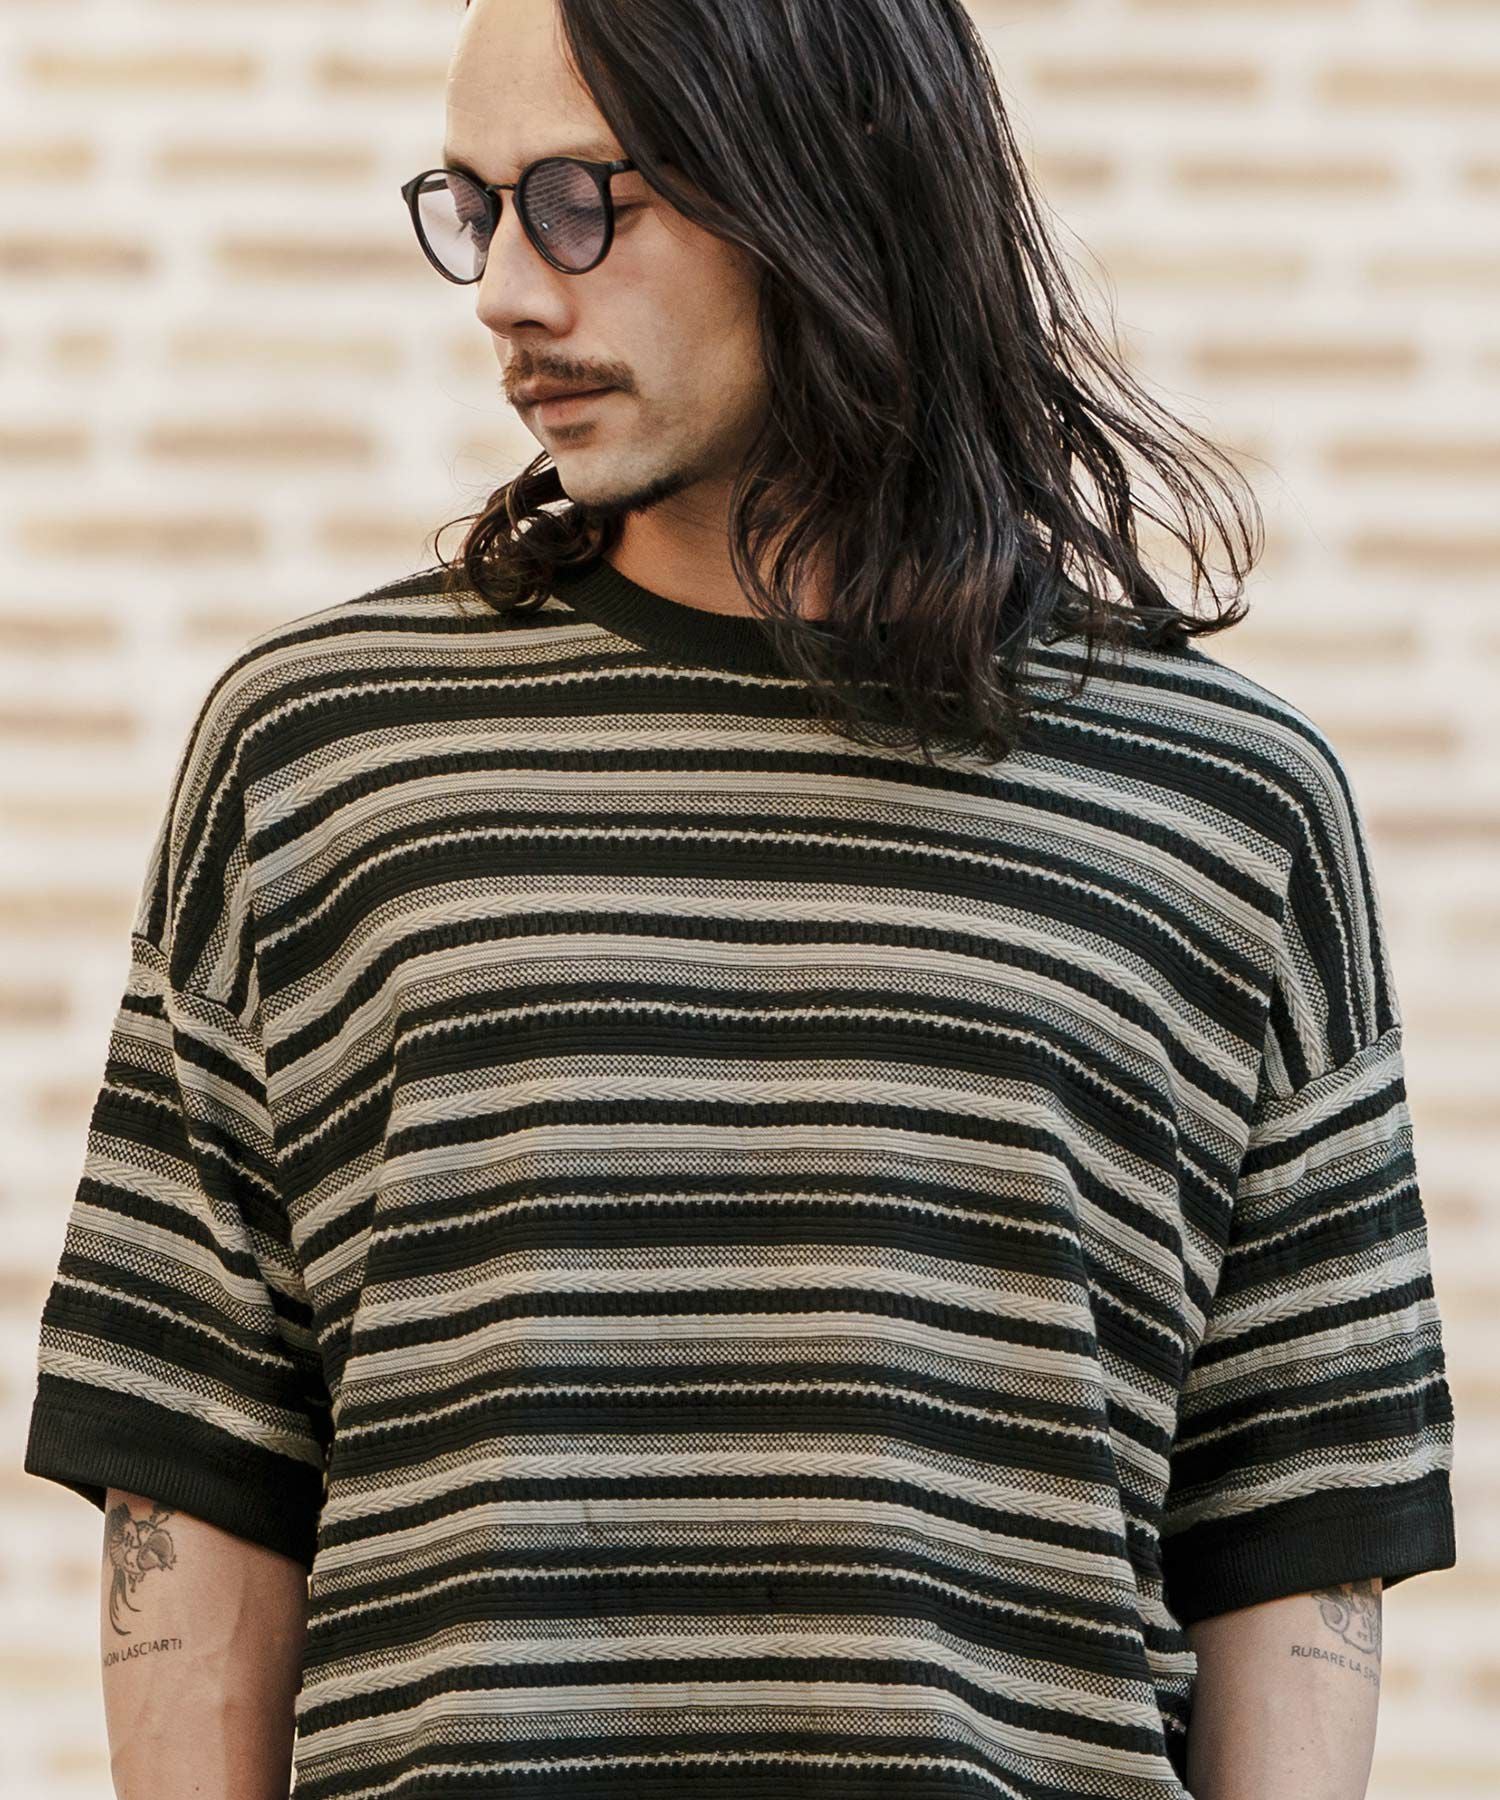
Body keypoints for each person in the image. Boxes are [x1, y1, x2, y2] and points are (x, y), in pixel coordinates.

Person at [24, 2, 1457, 1797]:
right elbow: (195, 1465)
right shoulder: (318, 754)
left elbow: (1298, 1526)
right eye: (474, 209)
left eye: (577, 203)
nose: (505, 293)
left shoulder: (1227, 802)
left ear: (822, 187)